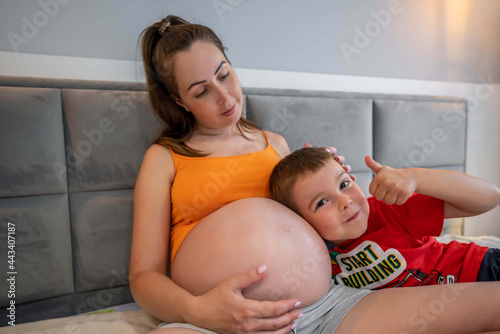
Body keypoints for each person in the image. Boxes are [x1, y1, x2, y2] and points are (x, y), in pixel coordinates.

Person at [129, 15, 500, 334]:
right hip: (215, 318)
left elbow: (312, 215)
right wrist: (199, 310)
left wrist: (327, 181)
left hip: (327, 304)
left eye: (225, 75)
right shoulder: (164, 157)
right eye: (201, 92)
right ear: (179, 100)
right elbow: (144, 277)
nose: (225, 98)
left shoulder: (275, 143)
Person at [269, 147, 500, 289]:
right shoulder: (315, 257)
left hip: (482, 269)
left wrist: (415, 177)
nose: (345, 201)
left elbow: (489, 197)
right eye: (321, 202)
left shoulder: (390, 208)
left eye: (344, 184)